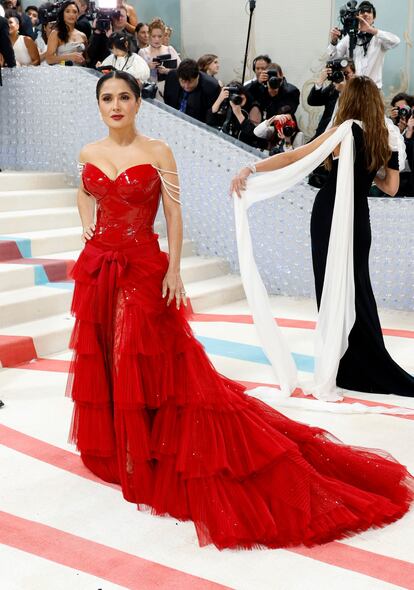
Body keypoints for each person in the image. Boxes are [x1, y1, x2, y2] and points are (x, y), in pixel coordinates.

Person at [67, 70, 414, 551]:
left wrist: (173, 269)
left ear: (138, 102)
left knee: (139, 357)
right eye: (107, 98)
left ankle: (141, 447)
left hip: (144, 266)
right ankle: (123, 442)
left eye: (125, 96)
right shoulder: (88, 152)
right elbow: (85, 192)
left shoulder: (158, 151)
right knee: (105, 351)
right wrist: (87, 225)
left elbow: (173, 212)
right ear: (99, 105)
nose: (117, 104)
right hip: (97, 266)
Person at [231, 76, 414, 397]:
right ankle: (366, 363)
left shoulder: (344, 130)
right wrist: (378, 163)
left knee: (332, 287)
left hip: (330, 214)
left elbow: (295, 156)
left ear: (350, 102)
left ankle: (348, 364)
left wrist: (252, 168)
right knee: (358, 288)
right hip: (359, 217)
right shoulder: (386, 133)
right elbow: (391, 187)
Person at [328, 1, 399, 89]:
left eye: (369, 12)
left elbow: (396, 41)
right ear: (357, 16)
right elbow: (333, 58)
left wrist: (371, 30)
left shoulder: (379, 38)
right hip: (352, 89)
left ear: (374, 17)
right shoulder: (349, 37)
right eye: (362, 12)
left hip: (373, 90)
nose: (365, 14)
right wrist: (334, 41)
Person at [206, 81, 264, 148]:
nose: (238, 97)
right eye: (235, 95)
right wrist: (219, 99)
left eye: (240, 94)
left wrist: (239, 114)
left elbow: (255, 135)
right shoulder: (228, 106)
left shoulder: (253, 108)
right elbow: (209, 121)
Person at [307, 60, 356, 139]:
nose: (342, 76)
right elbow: (312, 101)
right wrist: (320, 81)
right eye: (340, 73)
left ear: (354, 73)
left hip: (341, 138)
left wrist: (344, 91)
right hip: (322, 135)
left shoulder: (359, 92)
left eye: (346, 73)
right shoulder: (332, 89)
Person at [164, 58, 221, 123]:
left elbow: (210, 116)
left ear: (197, 77)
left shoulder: (211, 87)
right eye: (182, 81)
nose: (186, 86)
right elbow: (167, 101)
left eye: (190, 82)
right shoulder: (172, 76)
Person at [138, 18, 180, 84]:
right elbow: (137, 75)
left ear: (163, 36)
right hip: (151, 89)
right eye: (154, 36)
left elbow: (181, 71)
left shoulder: (170, 49)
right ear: (149, 36)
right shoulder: (143, 52)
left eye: (159, 36)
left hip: (170, 86)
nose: (157, 39)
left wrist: (167, 71)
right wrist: (147, 67)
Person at [46, 0, 86, 65]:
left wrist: (83, 61)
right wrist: (69, 57)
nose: (71, 14)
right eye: (67, 11)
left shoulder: (82, 35)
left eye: (74, 12)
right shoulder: (55, 33)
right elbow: (49, 59)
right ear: (62, 14)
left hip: (82, 71)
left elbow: (86, 59)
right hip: (63, 71)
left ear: (77, 15)